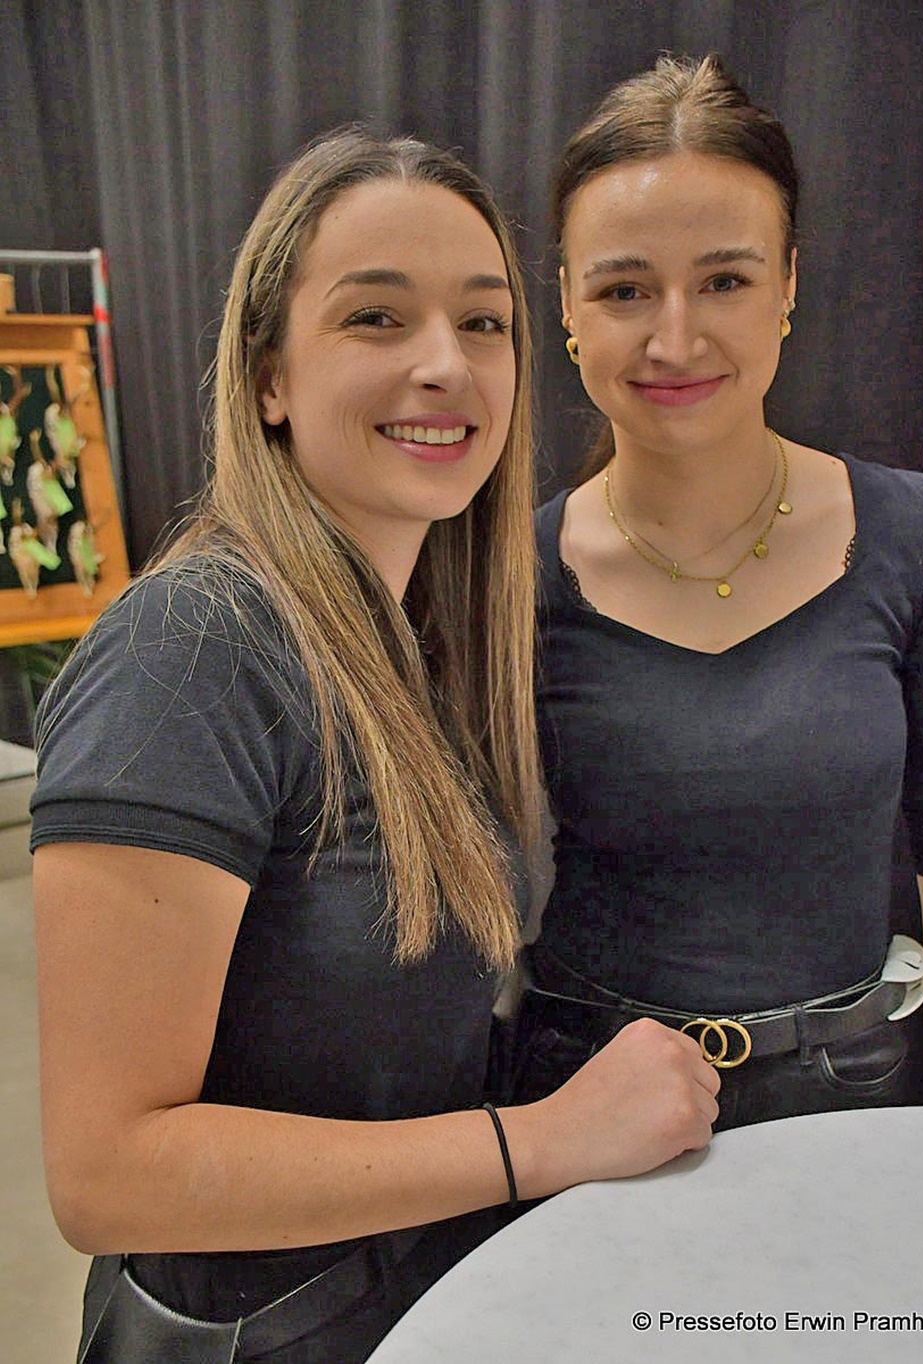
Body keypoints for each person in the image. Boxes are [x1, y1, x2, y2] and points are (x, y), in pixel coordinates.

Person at [30, 128, 720, 1364]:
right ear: (268, 378)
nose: (444, 364)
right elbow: (108, 1171)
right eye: (376, 318)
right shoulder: (191, 650)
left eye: (483, 321)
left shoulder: (411, 640)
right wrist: (543, 1140)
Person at [507, 54, 923, 1128]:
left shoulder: (921, 538)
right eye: (625, 289)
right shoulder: (509, 576)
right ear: (567, 305)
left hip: (856, 1105)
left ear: (788, 285)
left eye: (724, 281)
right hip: (585, 1110)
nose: (675, 337)